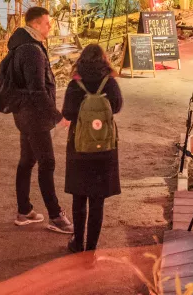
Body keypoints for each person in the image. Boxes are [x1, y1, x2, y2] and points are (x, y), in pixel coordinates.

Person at [8, 5, 73, 233]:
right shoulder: (32, 51)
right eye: (47, 22)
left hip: (24, 114)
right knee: (47, 163)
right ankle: (56, 217)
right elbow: (37, 90)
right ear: (35, 24)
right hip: (35, 117)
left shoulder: (22, 45)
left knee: (27, 161)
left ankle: (24, 211)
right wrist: (57, 116)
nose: (50, 26)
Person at [62, 44, 123, 253]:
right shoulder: (110, 82)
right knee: (97, 200)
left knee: (79, 197)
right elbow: (117, 106)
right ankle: (91, 246)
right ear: (104, 60)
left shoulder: (75, 84)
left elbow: (68, 113)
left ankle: (77, 242)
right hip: (104, 145)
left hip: (79, 146)